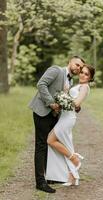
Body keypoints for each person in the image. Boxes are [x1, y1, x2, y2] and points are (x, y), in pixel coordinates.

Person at [29, 56, 85, 193]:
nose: (78, 68)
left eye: (80, 67)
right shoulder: (56, 70)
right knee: (41, 145)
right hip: (42, 111)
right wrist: (51, 103)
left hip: (55, 116)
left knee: (51, 145)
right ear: (70, 61)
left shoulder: (70, 80)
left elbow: (66, 98)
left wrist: (75, 107)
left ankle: (49, 176)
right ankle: (40, 182)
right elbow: (41, 84)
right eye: (77, 64)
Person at [46, 64, 95, 186]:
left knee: (50, 140)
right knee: (66, 143)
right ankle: (72, 176)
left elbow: (77, 103)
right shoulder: (79, 85)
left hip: (68, 119)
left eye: (86, 74)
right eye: (82, 72)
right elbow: (74, 102)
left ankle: (75, 160)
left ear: (90, 77)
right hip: (64, 117)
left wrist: (62, 97)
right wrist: (66, 93)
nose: (83, 75)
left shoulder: (84, 87)